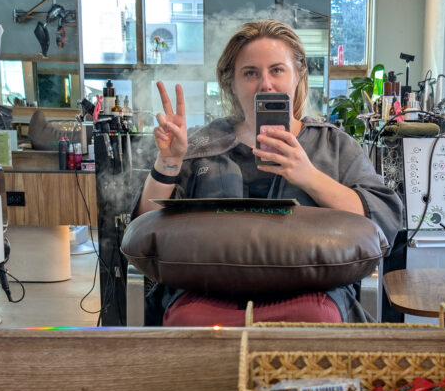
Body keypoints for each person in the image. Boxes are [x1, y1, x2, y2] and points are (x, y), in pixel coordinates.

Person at [133, 19, 402, 325]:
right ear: (231, 83)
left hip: (312, 293)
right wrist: (168, 160)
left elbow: (381, 221)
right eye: (250, 73)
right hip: (204, 291)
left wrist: (309, 176)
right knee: (190, 320)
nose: (265, 84)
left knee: (313, 318)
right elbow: (145, 225)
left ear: (298, 75)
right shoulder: (200, 145)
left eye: (277, 69)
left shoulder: (332, 145)